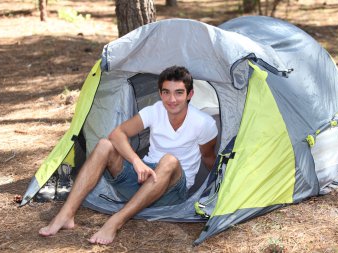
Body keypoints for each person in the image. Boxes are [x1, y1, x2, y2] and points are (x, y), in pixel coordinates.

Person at [38, 65, 218, 245]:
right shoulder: (154, 111)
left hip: (172, 191)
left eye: (179, 93)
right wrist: (136, 161)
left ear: (190, 94)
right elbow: (117, 134)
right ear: (160, 93)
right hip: (141, 182)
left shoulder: (203, 123)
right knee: (104, 145)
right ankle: (66, 214)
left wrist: (219, 189)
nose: (172, 99)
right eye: (166, 92)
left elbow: (209, 158)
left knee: (170, 160)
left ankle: (116, 221)